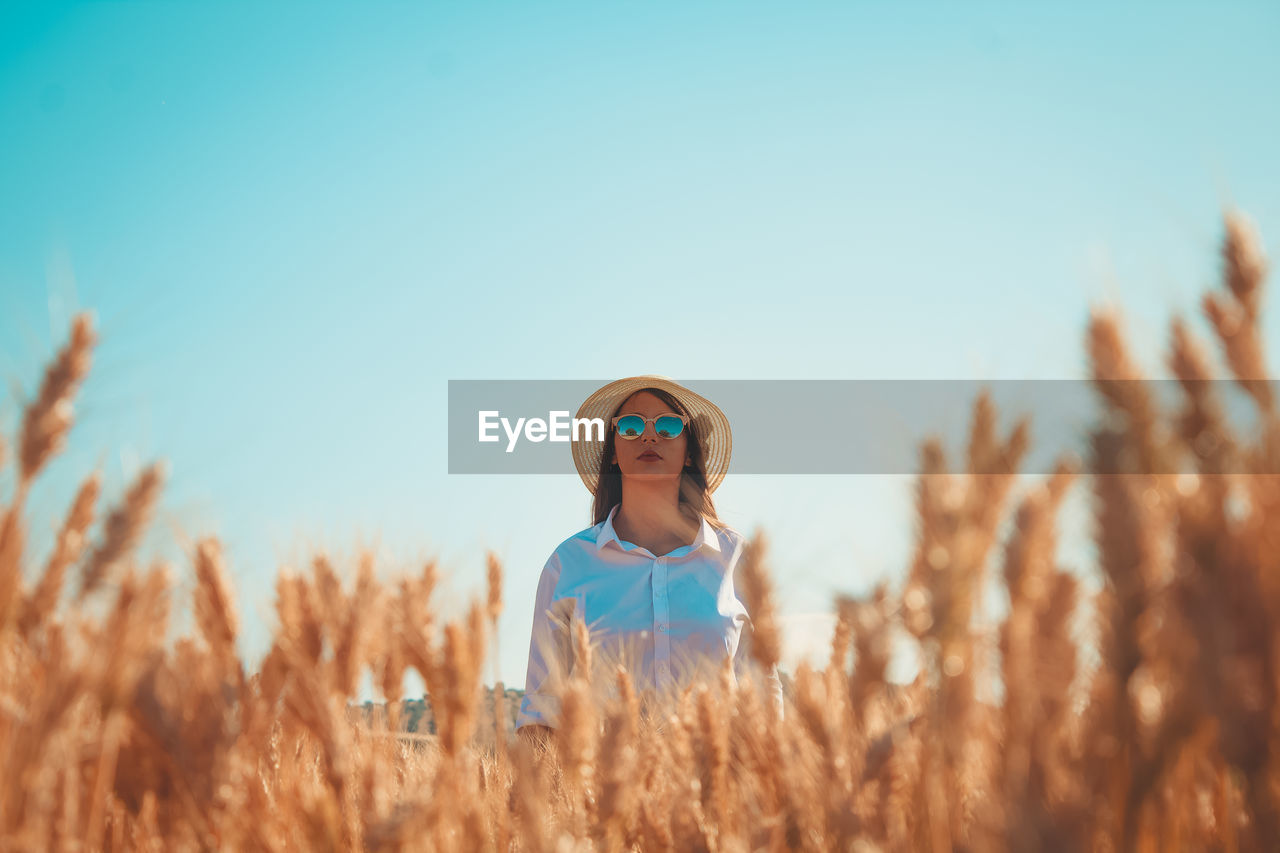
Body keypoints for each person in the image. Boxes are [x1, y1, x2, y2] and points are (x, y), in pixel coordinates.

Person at [514, 375, 784, 748]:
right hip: (603, 797)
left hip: (719, 794)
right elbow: (541, 714)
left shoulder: (737, 559)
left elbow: (765, 698)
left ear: (689, 450)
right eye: (630, 426)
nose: (649, 436)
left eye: (669, 425)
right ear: (612, 451)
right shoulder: (568, 564)